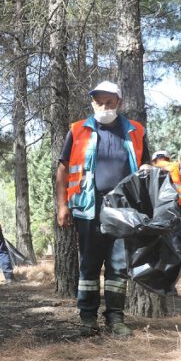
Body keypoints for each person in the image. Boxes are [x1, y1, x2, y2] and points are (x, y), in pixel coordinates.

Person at [55, 80, 150, 337]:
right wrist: (62, 205)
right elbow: (63, 170)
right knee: (89, 264)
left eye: (110, 102)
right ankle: (87, 318)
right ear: (92, 102)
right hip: (89, 207)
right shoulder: (77, 130)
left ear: (119, 103)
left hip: (124, 208)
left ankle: (116, 318)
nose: (104, 106)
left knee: (118, 265)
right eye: (99, 101)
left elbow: (145, 165)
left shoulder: (135, 131)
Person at [151, 149, 181, 257]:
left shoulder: (148, 170)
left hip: (154, 209)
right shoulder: (178, 167)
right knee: (176, 237)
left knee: (157, 236)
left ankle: (159, 266)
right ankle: (176, 266)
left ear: (153, 160)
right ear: (168, 158)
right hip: (176, 207)